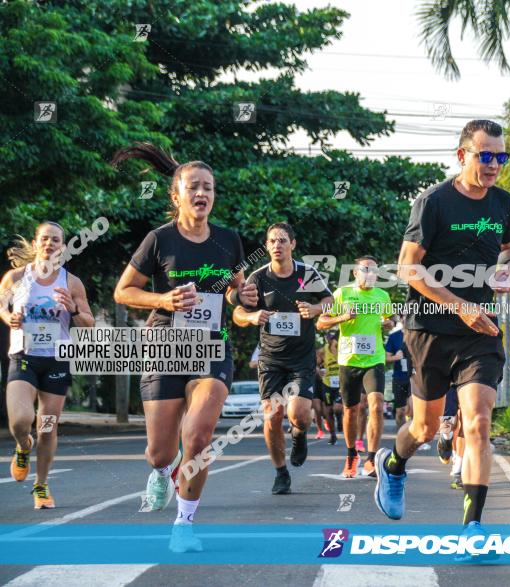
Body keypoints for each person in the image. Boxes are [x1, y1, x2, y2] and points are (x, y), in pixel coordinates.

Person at [374, 120, 510, 549]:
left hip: (482, 331)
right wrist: (460, 306)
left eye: (500, 156)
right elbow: (407, 267)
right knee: (424, 425)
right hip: (430, 328)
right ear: (462, 156)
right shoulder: (433, 201)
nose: (494, 164)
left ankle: (473, 527)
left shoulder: (502, 203)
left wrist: (507, 268)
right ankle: (394, 464)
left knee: (477, 422)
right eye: (485, 155)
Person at [112, 143, 256, 552]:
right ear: (176, 195)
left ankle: (184, 524)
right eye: (193, 186)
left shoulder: (229, 240)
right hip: (165, 345)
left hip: (211, 346)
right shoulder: (158, 240)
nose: (202, 193)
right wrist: (162, 300)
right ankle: (161, 472)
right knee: (159, 452)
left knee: (198, 433)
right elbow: (123, 292)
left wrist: (241, 296)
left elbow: (233, 291)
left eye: (208, 188)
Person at [232, 222, 332, 495]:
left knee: (299, 414)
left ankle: (299, 435)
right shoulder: (258, 278)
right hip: (271, 358)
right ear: (267, 246)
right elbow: (237, 313)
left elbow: (329, 301)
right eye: (272, 241)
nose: (277, 245)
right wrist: (252, 316)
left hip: (301, 357)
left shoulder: (307, 273)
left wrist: (314, 308)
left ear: (293, 244)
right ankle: (280, 472)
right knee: (272, 415)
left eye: (282, 240)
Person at [1, 222, 95, 509]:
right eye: (45, 238)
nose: (50, 243)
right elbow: (2, 307)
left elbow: (89, 324)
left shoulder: (71, 282)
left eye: (56, 239)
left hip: (56, 359)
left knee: (46, 427)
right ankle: (22, 446)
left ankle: (41, 486)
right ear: (36, 242)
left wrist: (73, 309)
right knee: (19, 421)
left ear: (63, 247)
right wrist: (9, 319)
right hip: (24, 356)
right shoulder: (16, 277)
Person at [317, 256, 392, 478]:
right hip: (348, 360)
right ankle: (351, 455)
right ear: (355, 273)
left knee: (376, 405)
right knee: (351, 410)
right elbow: (321, 322)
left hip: (374, 358)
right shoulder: (342, 294)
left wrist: (388, 323)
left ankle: (371, 459)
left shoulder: (383, 295)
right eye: (365, 270)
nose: (369, 274)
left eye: (373, 271)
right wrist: (342, 317)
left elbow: (389, 320)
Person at [384, 316, 413, 429]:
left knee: (413, 408)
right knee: (400, 411)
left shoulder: (417, 335)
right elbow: (386, 358)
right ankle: (401, 435)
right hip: (399, 378)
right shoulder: (394, 337)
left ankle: (413, 438)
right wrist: (396, 357)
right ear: (401, 319)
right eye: (404, 317)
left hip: (414, 377)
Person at [319, 331, 344, 441]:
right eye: (328, 338)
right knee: (328, 410)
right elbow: (314, 362)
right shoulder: (323, 350)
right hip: (328, 383)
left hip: (341, 383)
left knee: (337, 408)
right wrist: (318, 371)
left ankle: (339, 418)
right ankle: (332, 434)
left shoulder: (343, 349)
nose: (331, 341)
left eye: (333, 339)